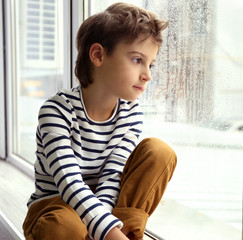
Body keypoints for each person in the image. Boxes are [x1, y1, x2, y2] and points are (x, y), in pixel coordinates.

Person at [22, 2, 177, 240]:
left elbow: (112, 175)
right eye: (137, 60)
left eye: (150, 64)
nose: (148, 74)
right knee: (66, 225)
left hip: (103, 206)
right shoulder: (56, 110)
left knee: (158, 151)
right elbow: (69, 183)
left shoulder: (131, 114)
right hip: (56, 205)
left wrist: (104, 230)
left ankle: (123, 234)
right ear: (98, 55)